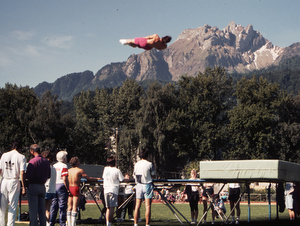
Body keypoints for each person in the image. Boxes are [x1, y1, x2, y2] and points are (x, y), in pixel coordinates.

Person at [67, 157, 101, 226]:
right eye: (79, 161)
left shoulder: (69, 170)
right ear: (76, 163)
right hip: (76, 187)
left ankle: (68, 223)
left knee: (69, 206)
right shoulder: (80, 170)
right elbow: (88, 178)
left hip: (69, 187)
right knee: (75, 207)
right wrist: (97, 178)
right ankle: (73, 224)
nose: (80, 162)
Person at [0, 140, 26, 226]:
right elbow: (22, 172)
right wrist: (23, 186)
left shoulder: (4, 155)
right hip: (14, 181)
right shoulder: (21, 157)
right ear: (20, 148)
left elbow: (0, 170)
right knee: (12, 206)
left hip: (4, 180)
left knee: (2, 206)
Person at [27, 144, 51, 226]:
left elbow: (29, 175)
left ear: (32, 151)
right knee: (42, 210)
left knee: (33, 210)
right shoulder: (46, 161)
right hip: (42, 186)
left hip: (33, 185)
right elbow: (48, 175)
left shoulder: (32, 161)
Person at [133, 148, 155, 226]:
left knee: (137, 206)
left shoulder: (137, 164)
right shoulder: (150, 164)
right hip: (147, 185)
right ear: (147, 155)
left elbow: (134, 174)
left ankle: (135, 223)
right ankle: (147, 224)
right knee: (148, 206)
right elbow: (153, 174)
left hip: (138, 185)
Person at [102, 156, 124, 226]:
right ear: (115, 162)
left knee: (108, 208)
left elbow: (103, 177)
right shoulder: (117, 170)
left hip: (106, 190)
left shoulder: (105, 169)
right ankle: (110, 223)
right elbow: (122, 179)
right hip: (113, 190)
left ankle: (107, 223)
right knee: (112, 208)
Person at [49, 150, 69, 226]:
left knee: (53, 205)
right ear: (63, 158)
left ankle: (51, 222)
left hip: (54, 185)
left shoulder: (54, 165)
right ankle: (62, 222)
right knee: (62, 206)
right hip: (61, 185)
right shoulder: (64, 166)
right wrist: (67, 188)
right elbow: (64, 178)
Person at [41, 151, 57, 226]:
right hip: (52, 190)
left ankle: (44, 223)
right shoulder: (54, 168)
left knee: (43, 209)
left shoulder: (46, 167)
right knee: (47, 209)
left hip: (45, 188)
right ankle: (48, 224)